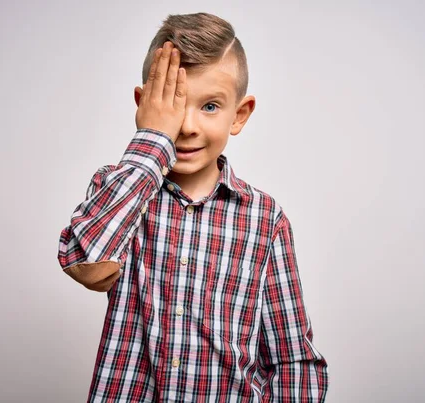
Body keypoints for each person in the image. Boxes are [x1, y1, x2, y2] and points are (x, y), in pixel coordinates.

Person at [57, 12, 329, 402]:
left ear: (240, 115)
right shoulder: (120, 189)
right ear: (144, 104)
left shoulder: (266, 221)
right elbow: (84, 261)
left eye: (211, 106)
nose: (186, 126)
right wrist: (152, 138)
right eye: (172, 104)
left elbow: (292, 360)